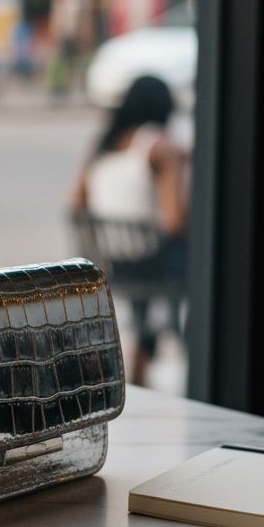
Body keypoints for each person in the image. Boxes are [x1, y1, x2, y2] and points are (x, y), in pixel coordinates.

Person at [70, 75, 188, 385]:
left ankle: (142, 359)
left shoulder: (103, 147)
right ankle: (157, 349)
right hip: (152, 262)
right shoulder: (159, 147)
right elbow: (175, 220)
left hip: (112, 261)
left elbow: (76, 204)